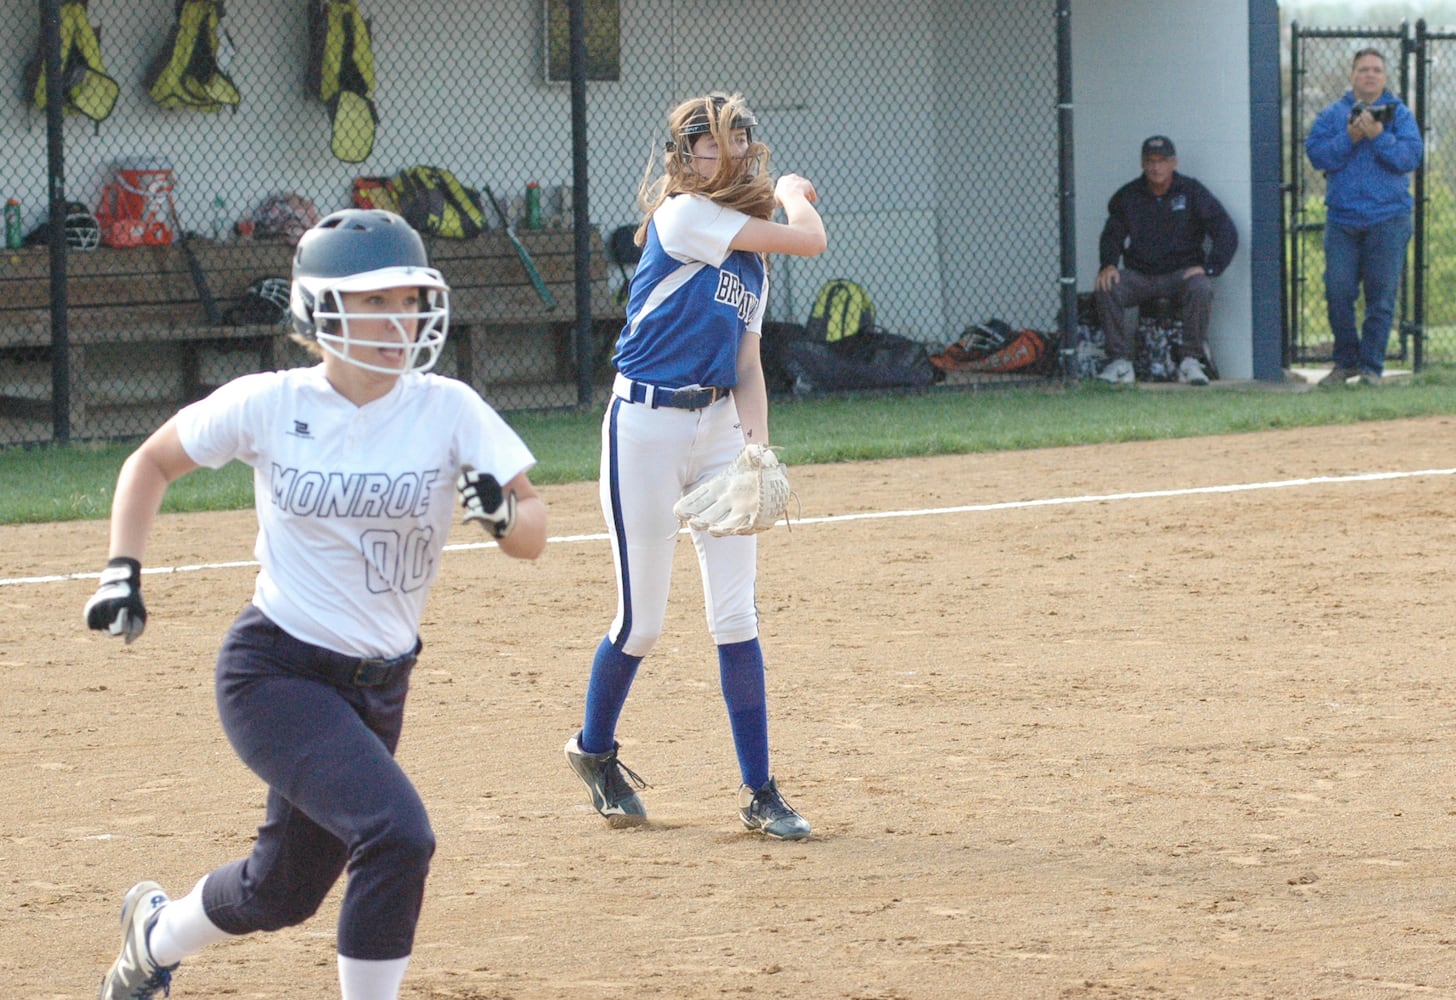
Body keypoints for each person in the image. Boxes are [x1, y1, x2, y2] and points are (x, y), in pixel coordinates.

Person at [83, 208, 547, 1000]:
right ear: (321, 310)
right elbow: (150, 462)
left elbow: (532, 528)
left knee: (281, 891)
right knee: (398, 836)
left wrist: (502, 517)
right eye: (375, 302)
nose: (398, 319)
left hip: (378, 687)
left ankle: (151, 938)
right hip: (275, 671)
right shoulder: (272, 401)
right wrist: (121, 571)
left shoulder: (449, 409)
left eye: (409, 300)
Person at [563, 92, 826, 840]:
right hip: (642, 427)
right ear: (684, 159)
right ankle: (595, 752)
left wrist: (755, 445)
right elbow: (809, 239)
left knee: (735, 615)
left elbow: (746, 361)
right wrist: (792, 195)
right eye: (704, 144)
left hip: (714, 424)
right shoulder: (683, 215)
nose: (720, 152)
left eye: (730, 139)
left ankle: (760, 790)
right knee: (641, 622)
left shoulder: (748, 256)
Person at [1305, 47, 1424, 387]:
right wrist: (1350, 137)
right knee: (1337, 291)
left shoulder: (1399, 115)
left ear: (1385, 77)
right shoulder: (1332, 115)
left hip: (1389, 218)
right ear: (1352, 76)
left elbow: (1408, 158)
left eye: (1375, 70)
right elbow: (1318, 155)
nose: (1369, 75)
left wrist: (1377, 136)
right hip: (1342, 220)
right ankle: (1345, 363)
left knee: (1381, 297)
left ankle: (1371, 369)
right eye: (1363, 69)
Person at [1094, 135, 1239, 386]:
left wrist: (1210, 267)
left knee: (1201, 287)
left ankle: (1190, 361)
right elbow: (1112, 234)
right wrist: (1107, 264)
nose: (1156, 167)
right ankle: (1119, 362)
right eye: (1150, 161)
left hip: (1180, 275)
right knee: (1108, 285)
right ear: (1142, 163)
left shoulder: (1192, 191)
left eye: (1162, 161)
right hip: (1141, 275)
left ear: (1174, 163)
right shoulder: (1128, 195)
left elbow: (1225, 229)